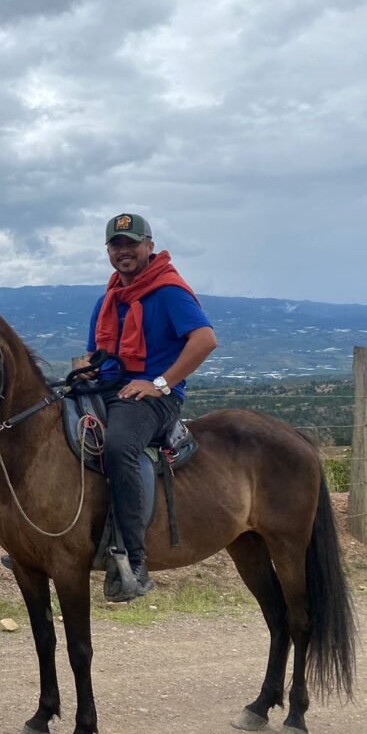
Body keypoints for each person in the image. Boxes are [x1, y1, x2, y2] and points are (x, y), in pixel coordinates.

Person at [86, 213, 217, 600]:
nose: (123, 251)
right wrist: (84, 375)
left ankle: (134, 561)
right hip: (111, 388)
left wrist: (161, 383)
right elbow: (96, 354)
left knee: (119, 446)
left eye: (131, 243)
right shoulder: (108, 299)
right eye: (116, 245)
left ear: (149, 246)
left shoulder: (169, 292)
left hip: (154, 397)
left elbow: (205, 340)